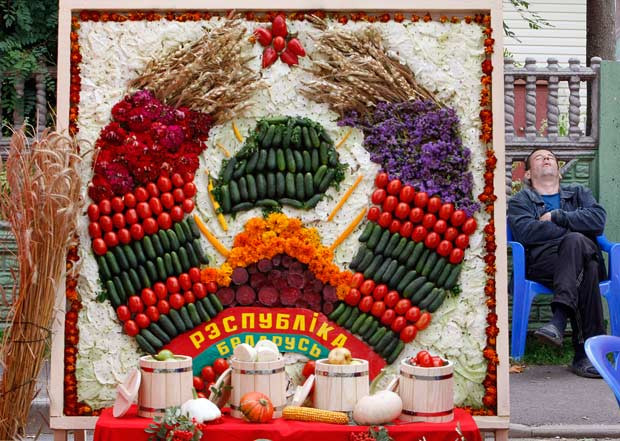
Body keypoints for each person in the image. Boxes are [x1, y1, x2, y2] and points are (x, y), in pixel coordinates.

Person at [508, 148, 606, 378]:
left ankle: (558, 321)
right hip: (544, 263)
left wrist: (557, 216)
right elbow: (526, 233)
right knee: (585, 263)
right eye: (539, 158)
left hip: (579, 254)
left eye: (550, 157)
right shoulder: (520, 201)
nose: (547, 159)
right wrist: (575, 225)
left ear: (560, 173)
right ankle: (586, 356)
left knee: (576, 246)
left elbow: (598, 220)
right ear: (529, 175)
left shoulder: (579, 192)